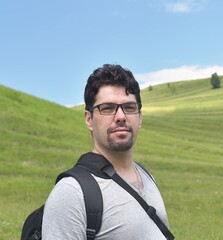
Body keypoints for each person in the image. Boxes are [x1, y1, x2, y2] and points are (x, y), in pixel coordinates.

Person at [42, 64, 170, 239]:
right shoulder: (71, 193)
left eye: (129, 107)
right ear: (89, 119)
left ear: (139, 117)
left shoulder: (146, 176)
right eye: (108, 108)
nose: (120, 116)